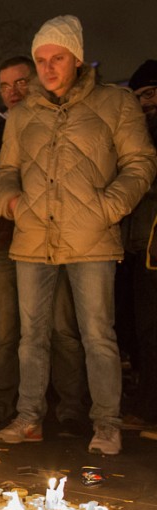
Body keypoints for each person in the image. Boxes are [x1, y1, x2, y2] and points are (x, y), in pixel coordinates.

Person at [0, 17, 157, 455]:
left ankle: (106, 424)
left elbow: (141, 162)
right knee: (32, 335)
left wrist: (109, 207)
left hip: (92, 238)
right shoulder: (23, 111)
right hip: (32, 236)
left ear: (77, 58)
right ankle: (29, 417)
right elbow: (7, 169)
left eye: (57, 58)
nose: (47, 68)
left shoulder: (114, 103)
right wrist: (10, 202)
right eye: (41, 59)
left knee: (98, 334)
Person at [0, 56, 86, 433]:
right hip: (3, 242)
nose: (13, 92)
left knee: (60, 325)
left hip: (53, 240)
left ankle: (69, 408)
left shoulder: (57, 124)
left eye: (21, 82)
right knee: (7, 331)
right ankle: (2, 404)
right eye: (5, 86)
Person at [121, 59, 157, 433]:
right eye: (138, 97)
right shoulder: (140, 134)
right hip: (139, 247)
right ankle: (146, 405)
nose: (145, 103)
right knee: (141, 331)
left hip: (152, 246)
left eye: (150, 93)